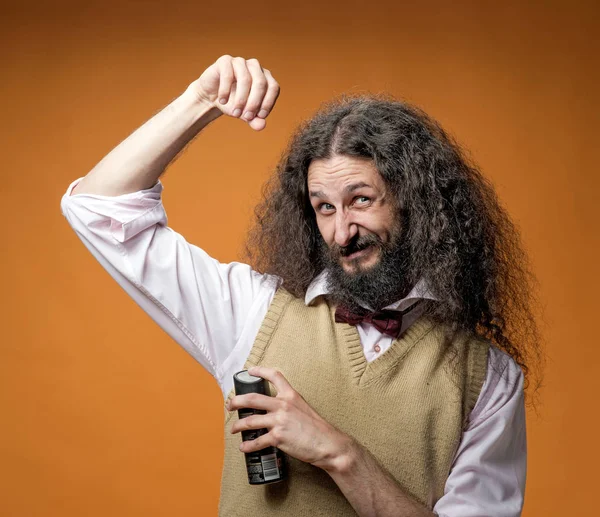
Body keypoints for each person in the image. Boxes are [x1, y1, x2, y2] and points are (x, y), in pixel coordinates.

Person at [61, 55, 541, 516]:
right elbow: (99, 210)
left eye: (361, 200)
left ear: (415, 203)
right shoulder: (253, 314)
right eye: (325, 207)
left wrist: (340, 454)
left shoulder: (488, 379)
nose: (341, 233)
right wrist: (200, 100)